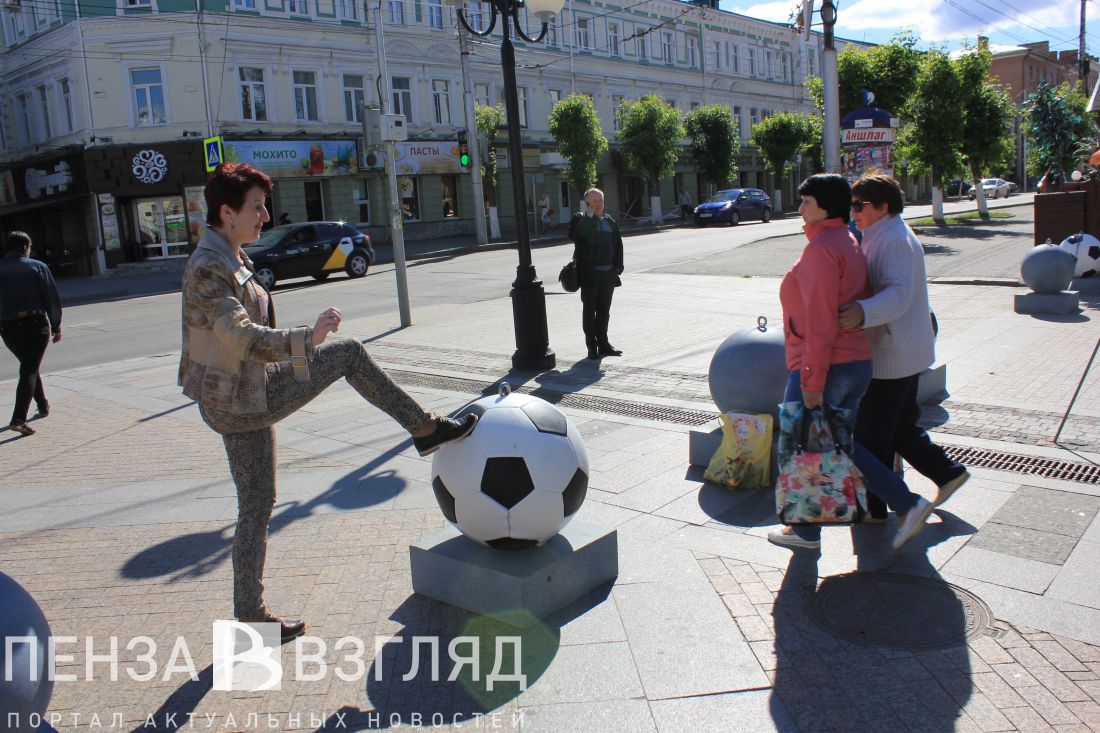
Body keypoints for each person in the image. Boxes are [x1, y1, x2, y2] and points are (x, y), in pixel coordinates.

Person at [180, 163, 477, 641]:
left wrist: (295, 341)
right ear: (226, 211)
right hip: (240, 398)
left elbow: (244, 333)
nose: (265, 214)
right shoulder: (209, 266)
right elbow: (237, 335)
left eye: (264, 205)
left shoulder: (228, 255)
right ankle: (423, 428)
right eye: (255, 207)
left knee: (256, 505)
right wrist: (307, 338)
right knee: (348, 353)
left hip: (239, 395)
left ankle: (248, 616)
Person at [767, 174, 933, 553]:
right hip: (851, 362)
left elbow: (821, 321)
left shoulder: (823, 249)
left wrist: (811, 377)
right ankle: (808, 530)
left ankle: (907, 504)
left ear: (825, 206)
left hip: (827, 365)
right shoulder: (847, 240)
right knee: (829, 446)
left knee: (822, 447)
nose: (800, 209)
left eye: (806, 202)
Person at [840, 173, 969, 519]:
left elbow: (897, 295)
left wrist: (860, 313)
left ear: (883, 206)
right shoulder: (881, 233)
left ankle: (875, 506)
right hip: (901, 352)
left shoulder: (893, 239)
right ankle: (948, 473)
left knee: (871, 436)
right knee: (898, 428)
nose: (853, 212)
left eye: (859, 205)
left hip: (892, 356)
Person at [0, 231, 62, 437]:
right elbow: (51, 298)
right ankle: (19, 419)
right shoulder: (37, 266)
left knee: (29, 366)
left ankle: (43, 405)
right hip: (35, 324)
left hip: (7, 326)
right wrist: (56, 326)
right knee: (29, 368)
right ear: (26, 246)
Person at [568, 188, 624, 360]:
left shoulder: (610, 221)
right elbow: (576, 236)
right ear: (588, 203)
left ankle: (604, 345)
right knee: (589, 310)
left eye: (601, 200)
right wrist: (589, 218)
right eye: (595, 201)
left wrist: (618, 267)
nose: (599, 204)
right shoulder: (580, 219)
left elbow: (618, 245)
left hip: (608, 274)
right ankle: (592, 346)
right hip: (590, 275)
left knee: (604, 311)